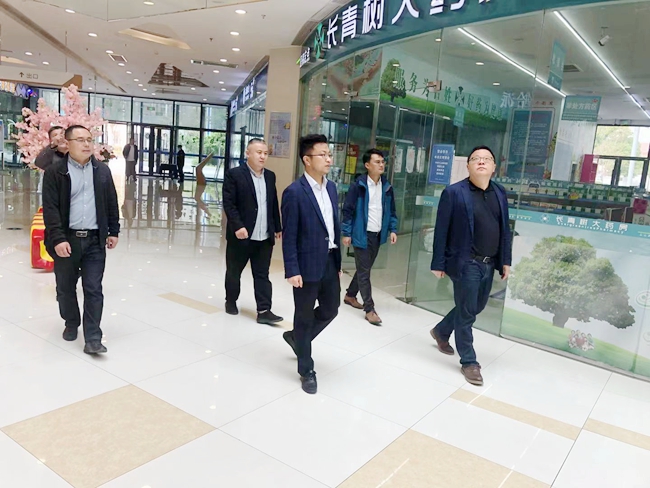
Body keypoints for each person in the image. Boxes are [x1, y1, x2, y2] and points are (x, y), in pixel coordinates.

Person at [430, 145, 512, 386]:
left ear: (494, 167)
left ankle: (442, 330)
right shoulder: (454, 193)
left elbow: (504, 230)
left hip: (490, 262)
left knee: (475, 306)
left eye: (487, 158)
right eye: (476, 158)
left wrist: (505, 260)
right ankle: (469, 361)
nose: (481, 162)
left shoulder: (500, 192)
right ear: (468, 166)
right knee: (467, 313)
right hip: (466, 261)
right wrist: (438, 262)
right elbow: (441, 230)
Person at [43, 125, 120, 355]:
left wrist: (113, 231)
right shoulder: (55, 172)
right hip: (67, 239)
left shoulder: (102, 171)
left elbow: (111, 202)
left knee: (93, 288)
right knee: (65, 288)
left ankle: (93, 337)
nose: (87, 144)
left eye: (89, 139)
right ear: (67, 143)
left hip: (95, 240)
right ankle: (71, 321)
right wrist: (58, 238)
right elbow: (50, 209)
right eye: (80, 140)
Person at [281, 134, 342, 394]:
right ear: (307, 160)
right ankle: (306, 369)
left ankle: (297, 338)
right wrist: (292, 269)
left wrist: (337, 261)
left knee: (331, 308)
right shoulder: (294, 192)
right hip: (305, 265)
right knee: (304, 317)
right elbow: (289, 235)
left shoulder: (331, 188)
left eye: (329, 154)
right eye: (322, 155)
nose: (328, 159)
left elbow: (332, 226)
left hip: (329, 260)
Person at [222, 138, 283, 325]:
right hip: (242, 235)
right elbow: (229, 204)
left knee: (262, 274)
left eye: (265, 153)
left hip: (264, 236)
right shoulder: (234, 175)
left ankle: (264, 310)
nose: (262, 156)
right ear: (248, 153)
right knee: (234, 271)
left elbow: (272, 203)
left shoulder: (270, 176)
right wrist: (238, 226)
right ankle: (231, 301)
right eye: (258, 152)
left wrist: (277, 226)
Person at [341, 149, 398, 326]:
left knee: (363, 268)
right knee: (365, 272)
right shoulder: (358, 186)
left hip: (377, 234)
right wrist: (346, 233)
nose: (381, 164)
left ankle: (350, 295)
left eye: (382, 161)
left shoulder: (387, 187)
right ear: (367, 165)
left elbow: (392, 211)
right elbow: (347, 211)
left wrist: (393, 229)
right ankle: (369, 309)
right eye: (377, 162)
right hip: (361, 233)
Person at [35, 126, 68, 193]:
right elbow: (39, 162)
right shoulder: (51, 155)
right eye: (55, 135)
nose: (60, 137)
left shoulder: (77, 152)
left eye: (62, 133)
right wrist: (52, 146)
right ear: (51, 141)